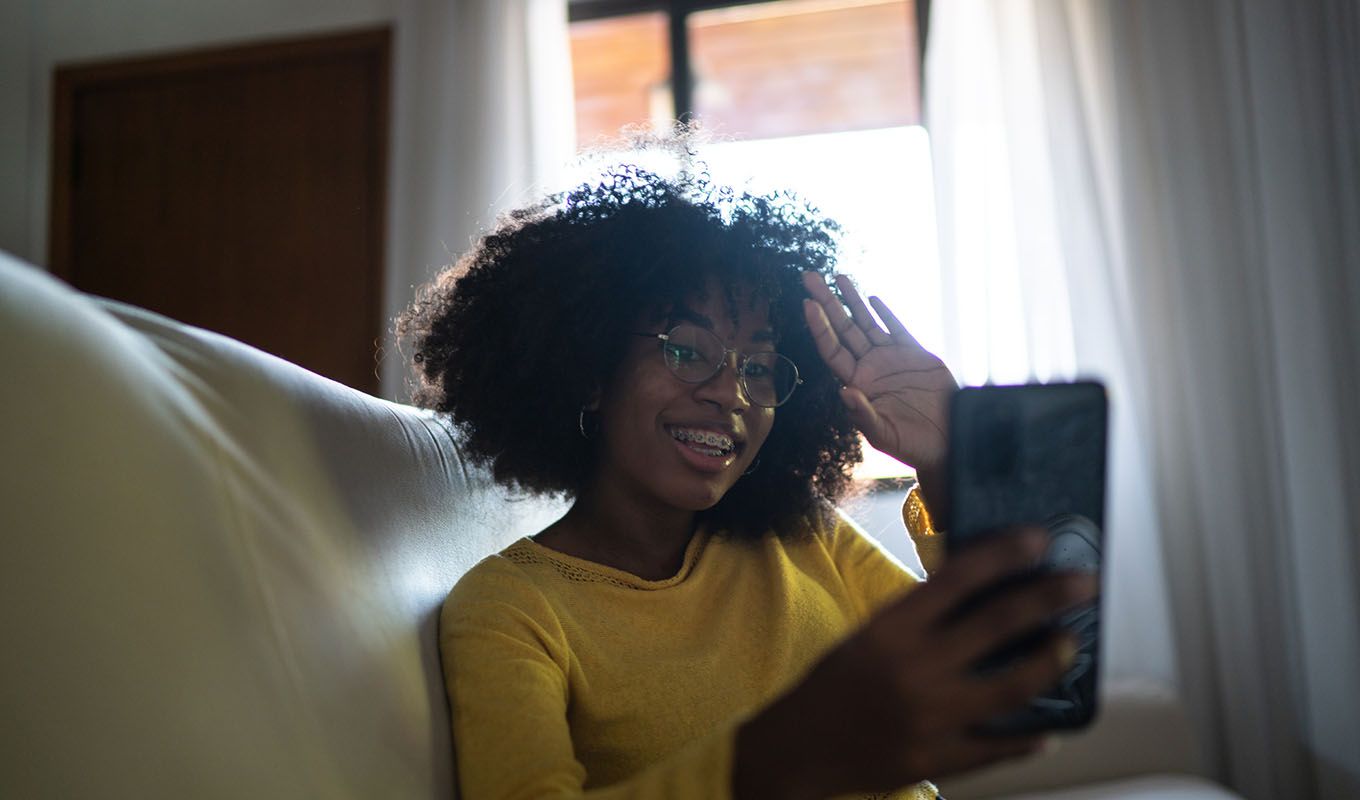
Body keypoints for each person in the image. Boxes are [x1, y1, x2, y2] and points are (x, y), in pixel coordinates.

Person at [399, 155, 1095, 799]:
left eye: (757, 366)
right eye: (687, 350)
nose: (730, 394)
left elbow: (1006, 674)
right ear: (588, 373)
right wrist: (789, 751)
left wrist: (952, 467)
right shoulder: (509, 608)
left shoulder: (800, 533)